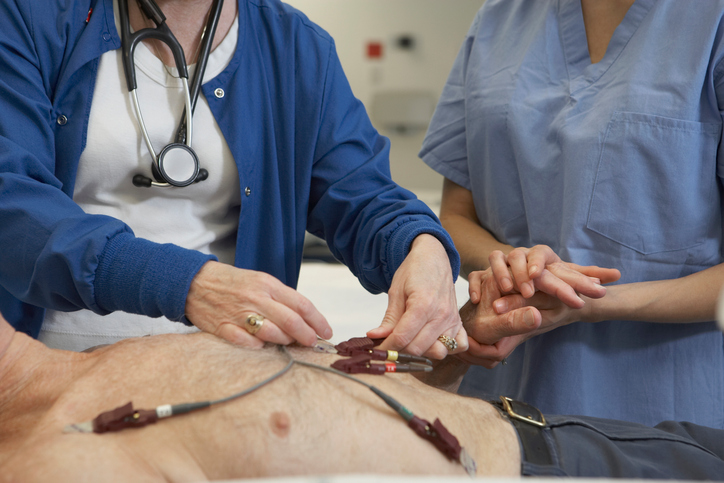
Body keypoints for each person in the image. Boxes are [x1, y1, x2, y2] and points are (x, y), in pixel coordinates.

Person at [0, 0, 468, 358]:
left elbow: (363, 194)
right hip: (53, 366)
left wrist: (419, 245)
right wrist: (185, 283)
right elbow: (15, 205)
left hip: (232, 370)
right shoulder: (29, 17)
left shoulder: (297, 48)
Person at [419, 0, 724, 428]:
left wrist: (586, 301)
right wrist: (513, 265)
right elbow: (454, 216)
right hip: (503, 392)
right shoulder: (499, 18)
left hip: (668, 409)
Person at [0, 312, 723, 481]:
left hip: (540, 430)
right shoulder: (45, 460)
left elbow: (365, 401)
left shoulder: (107, 354)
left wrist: (461, 338)